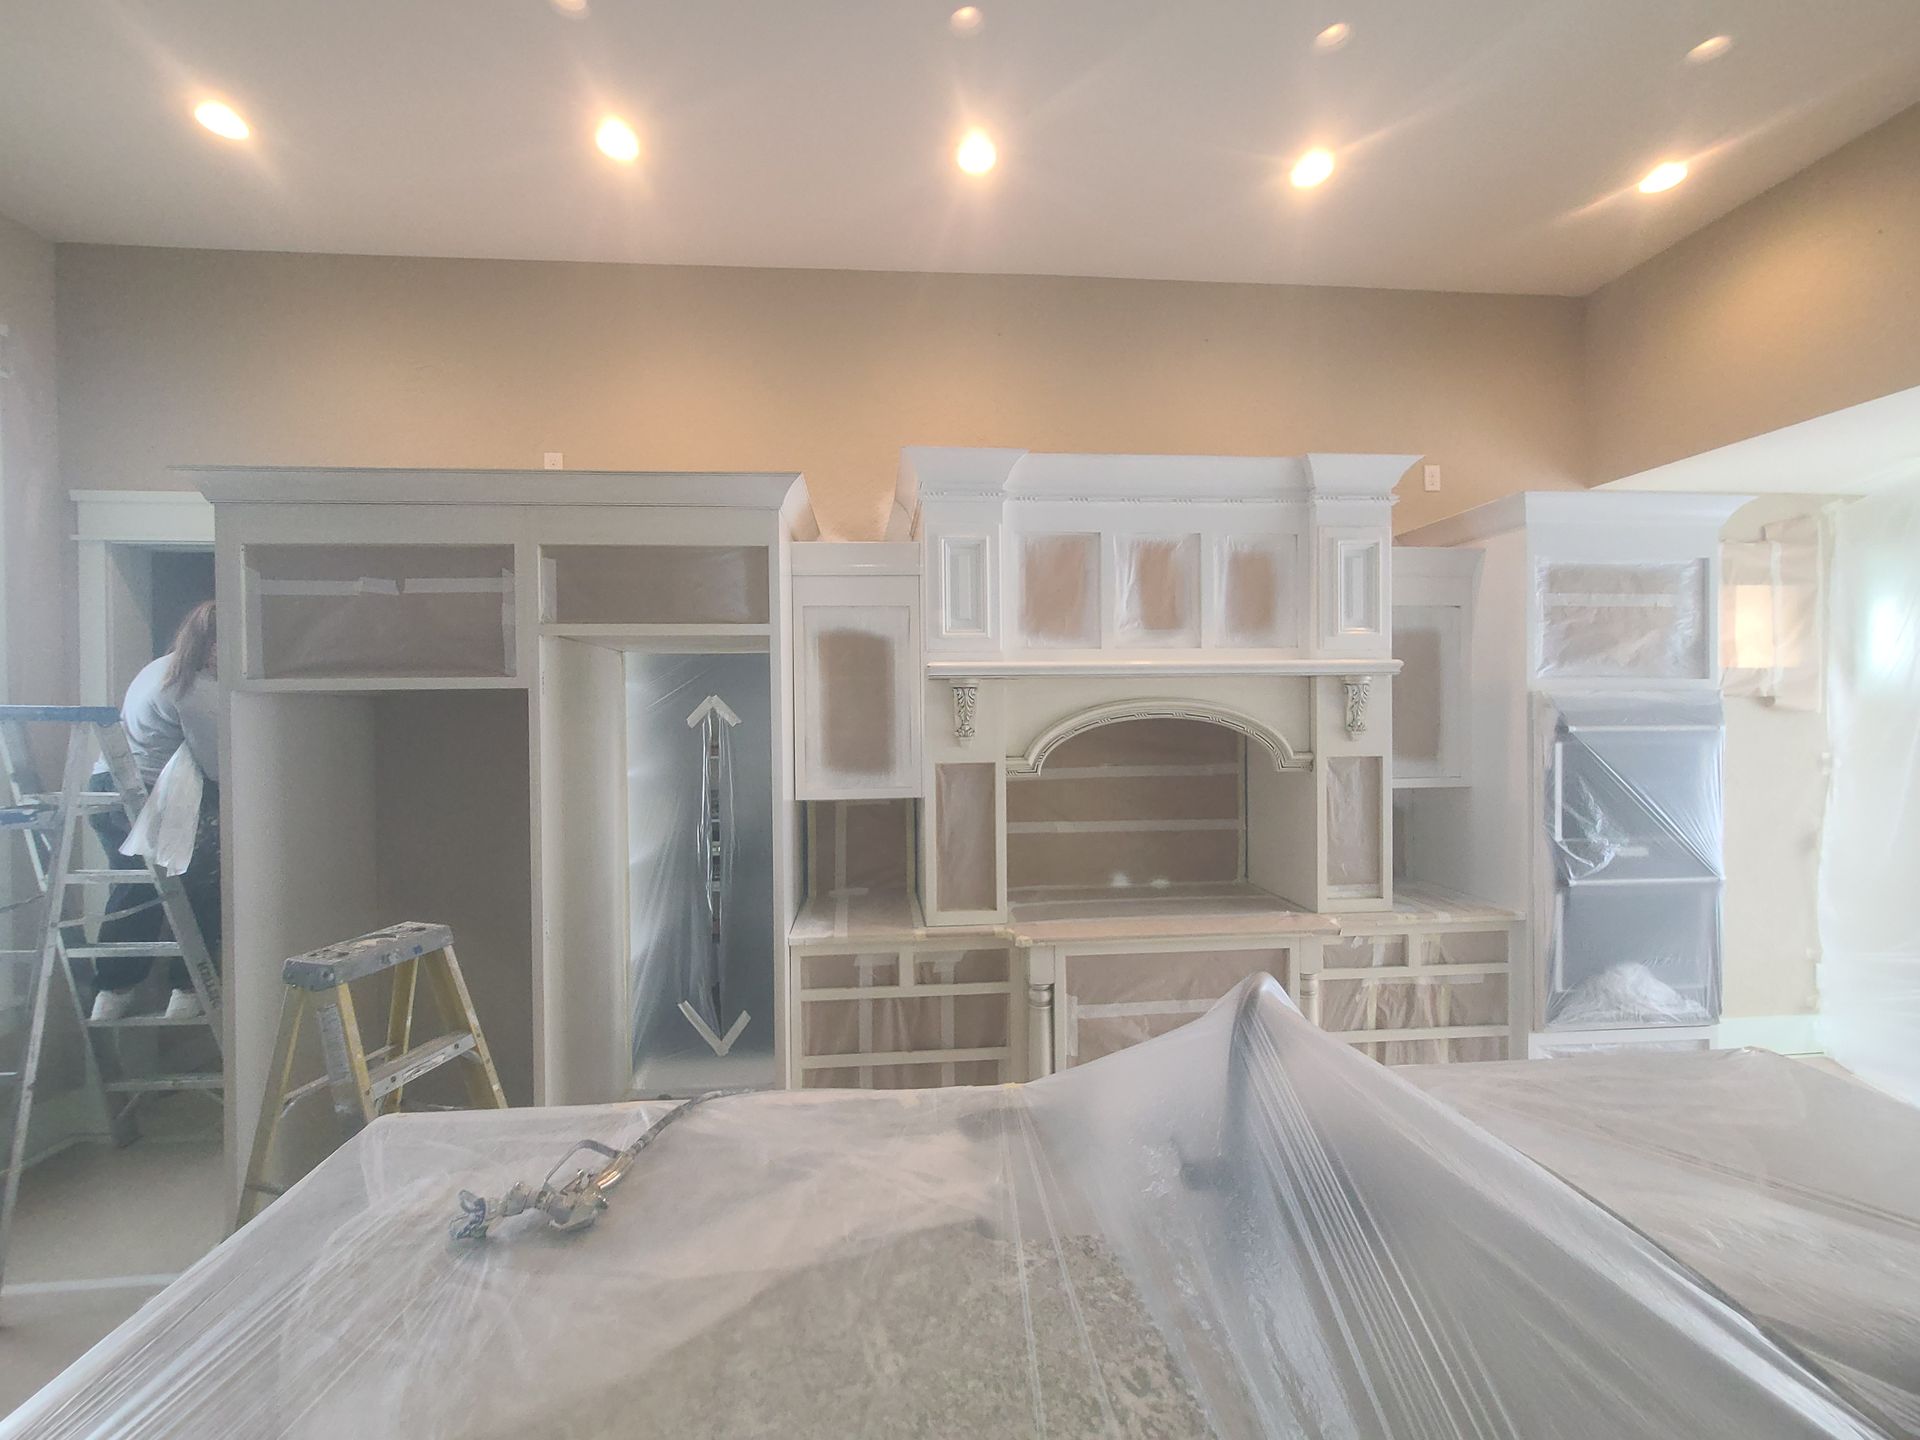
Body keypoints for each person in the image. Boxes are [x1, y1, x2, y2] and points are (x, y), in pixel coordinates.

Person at [87, 600, 222, 1022]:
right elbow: (218, 766)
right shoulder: (195, 688)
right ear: (211, 643)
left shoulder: (160, 669)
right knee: (205, 885)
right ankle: (188, 989)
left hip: (107, 789)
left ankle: (113, 991)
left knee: (136, 892)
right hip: (148, 798)